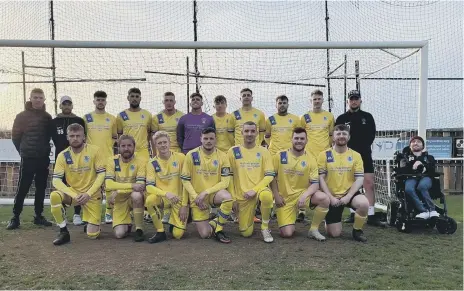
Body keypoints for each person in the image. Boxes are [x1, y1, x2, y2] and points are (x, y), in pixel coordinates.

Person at [49, 123, 105, 245]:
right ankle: (63, 232)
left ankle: (91, 222)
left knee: (92, 235)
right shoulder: (62, 155)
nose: (75, 138)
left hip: (92, 195)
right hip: (74, 194)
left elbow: (101, 174)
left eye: (78, 136)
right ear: (67, 137)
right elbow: (56, 180)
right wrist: (74, 195)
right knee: (54, 196)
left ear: (84, 137)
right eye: (72, 136)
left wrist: (88, 194)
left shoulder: (95, 151)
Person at [270, 127, 329, 241]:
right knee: (287, 234)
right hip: (284, 199)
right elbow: (272, 177)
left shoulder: (311, 159)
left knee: (324, 199)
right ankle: (290, 218)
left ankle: (313, 229)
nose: (299, 141)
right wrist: (276, 196)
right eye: (296, 138)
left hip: (302, 196)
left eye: (302, 138)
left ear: (306, 140)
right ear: (291, 139)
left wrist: (305, 195)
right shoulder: (280, 155)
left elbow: (315, 184)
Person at [335, 90, 384, 227]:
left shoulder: (367, 117)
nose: (354, 101)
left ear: (360, 101)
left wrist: (361, 150)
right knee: (350, 184)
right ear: (348, 101)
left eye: (356, 99)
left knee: (369, 184)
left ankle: (372, 214)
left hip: (364, 156)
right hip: (347, 157)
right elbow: (337, 137)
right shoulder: (341, 118)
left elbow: (371, 136)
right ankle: (353, 213)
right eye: (351, 99)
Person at [8, 88, 53, 230]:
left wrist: (44, 151)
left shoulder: (47, 117)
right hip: (28, 158)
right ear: (30, 98)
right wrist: (23, 151)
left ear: (44, 99)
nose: (38, 100)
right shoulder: (21, 116)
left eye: (40, 97)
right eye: (35, 97)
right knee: (23, 188)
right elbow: (15, 137)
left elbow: (48, 137)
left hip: (43, 159)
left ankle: (38, 216)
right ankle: (15, 217)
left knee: (41, 188)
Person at [181, 127, 234, 243]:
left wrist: (206, 192)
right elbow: (185, 180)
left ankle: (219, 229)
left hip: (213, 194)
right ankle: (216, 221)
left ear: (216, 139)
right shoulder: (191, 155)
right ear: (201, 139)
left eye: (211, 138)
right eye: (205, 138)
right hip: (197, 198)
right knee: (205, 234)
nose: (208, 141)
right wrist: (196, 197)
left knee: (228, 198)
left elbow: (225, 182)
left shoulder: (223, 156)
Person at [317, 124, 369, 242]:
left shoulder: (356, 155)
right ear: (333, 137)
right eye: (338, 134)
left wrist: (349, 196)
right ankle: (329, 218)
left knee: (364, 203)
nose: (341, 136)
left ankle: (357, 230)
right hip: (332, 196)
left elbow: (360, 178)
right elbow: (321, 178)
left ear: (349, 137)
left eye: (344, 134)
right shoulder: (323, 155)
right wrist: (330, 197)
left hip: (349, 194)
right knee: (334, 234)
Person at [227, 121, 275, 243]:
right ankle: (248, 218)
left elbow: (269, 176)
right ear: (242, 132)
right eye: (247, 131)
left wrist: (254, 190)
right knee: (246, 233)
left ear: (257, 133)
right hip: (242, 196)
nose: (249, 134)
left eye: (253, 131)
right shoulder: (233, 151)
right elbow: (229, 177)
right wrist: (233, 198)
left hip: (258, 191)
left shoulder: (264, 151)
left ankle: (265, 227)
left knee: (267, 196)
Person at [50, 95, 86, 226]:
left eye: (69, 104)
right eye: (64, 104)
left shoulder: (79, 120)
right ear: (60, 105)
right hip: (60, 158)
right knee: (60, 184)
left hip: (78, 158)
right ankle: (62, 212)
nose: (66, 106)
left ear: (72, 105)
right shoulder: (54, 122)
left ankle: (77, 214)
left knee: (79, 184)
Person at [145, 131, 188, 243]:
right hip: (164, 198)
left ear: (170, 143)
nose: (163, 145)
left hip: (179, 199)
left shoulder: (180, 158)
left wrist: (184, 205)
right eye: (159, 143)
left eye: (165, 142)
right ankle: (160, 231)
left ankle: (181, 217)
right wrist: (166, 194)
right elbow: (149, 187)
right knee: (150, 200)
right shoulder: (152, 163)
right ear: (155, 145)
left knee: (177, 235)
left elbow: (186, 182)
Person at [83, 91, 118, 225]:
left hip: (108, 159)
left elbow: (115, 138)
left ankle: (109, 213)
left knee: (109, 187)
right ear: (94, 101)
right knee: (92, 188)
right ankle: (92, 215)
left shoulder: (112, 119)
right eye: (98, 100)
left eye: (102, 100)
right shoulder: (86, 118)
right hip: (91, 160)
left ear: (106, 102)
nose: (100, 102)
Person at [105, 135, 147, 242]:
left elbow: (140, 185)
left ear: (134, 147)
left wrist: (118, 189)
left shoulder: (141, 161)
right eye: (123, 146)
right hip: (119, 200)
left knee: (137, 195)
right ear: (118, 148)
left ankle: (139, 229)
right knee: (119, 234)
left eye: (129, 145)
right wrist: (131, 186)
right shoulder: (111, 161)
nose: (126, 148)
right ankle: (127, 224)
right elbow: (109, 184)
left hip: (132, 196)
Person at [397, 136, 439, 219]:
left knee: (422, 186)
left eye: (419, 142)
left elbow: (432, 170)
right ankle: (423, 210)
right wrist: (413, 166)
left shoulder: (429, 157)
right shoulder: (404, 158)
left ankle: (432, 209)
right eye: (413, 142)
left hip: (425, 177)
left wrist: (423, 164)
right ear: (410, 146)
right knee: (408, 189)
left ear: (423, 146)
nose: (416, 143)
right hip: (410, 177)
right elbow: (402, 170)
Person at [117, 88, 152, 162]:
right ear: (128, 98)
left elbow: (149, 133)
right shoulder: (121, 115)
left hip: (143, 153)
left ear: (140, 99)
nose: (134, 99)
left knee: (144, 173)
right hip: (127, 153)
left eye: (137, 96)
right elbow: (120, 136)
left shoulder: (147, 114)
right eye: (132, 96)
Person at [301, 90, 335, 158]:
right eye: (314, 99)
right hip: (309, 155)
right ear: (311, 101)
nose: (317, 101)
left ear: (322, 100)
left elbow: (331, 135)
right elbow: (301, 136)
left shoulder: (329, 116)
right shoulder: (305, 117)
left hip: (325, 154)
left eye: (319, 99)